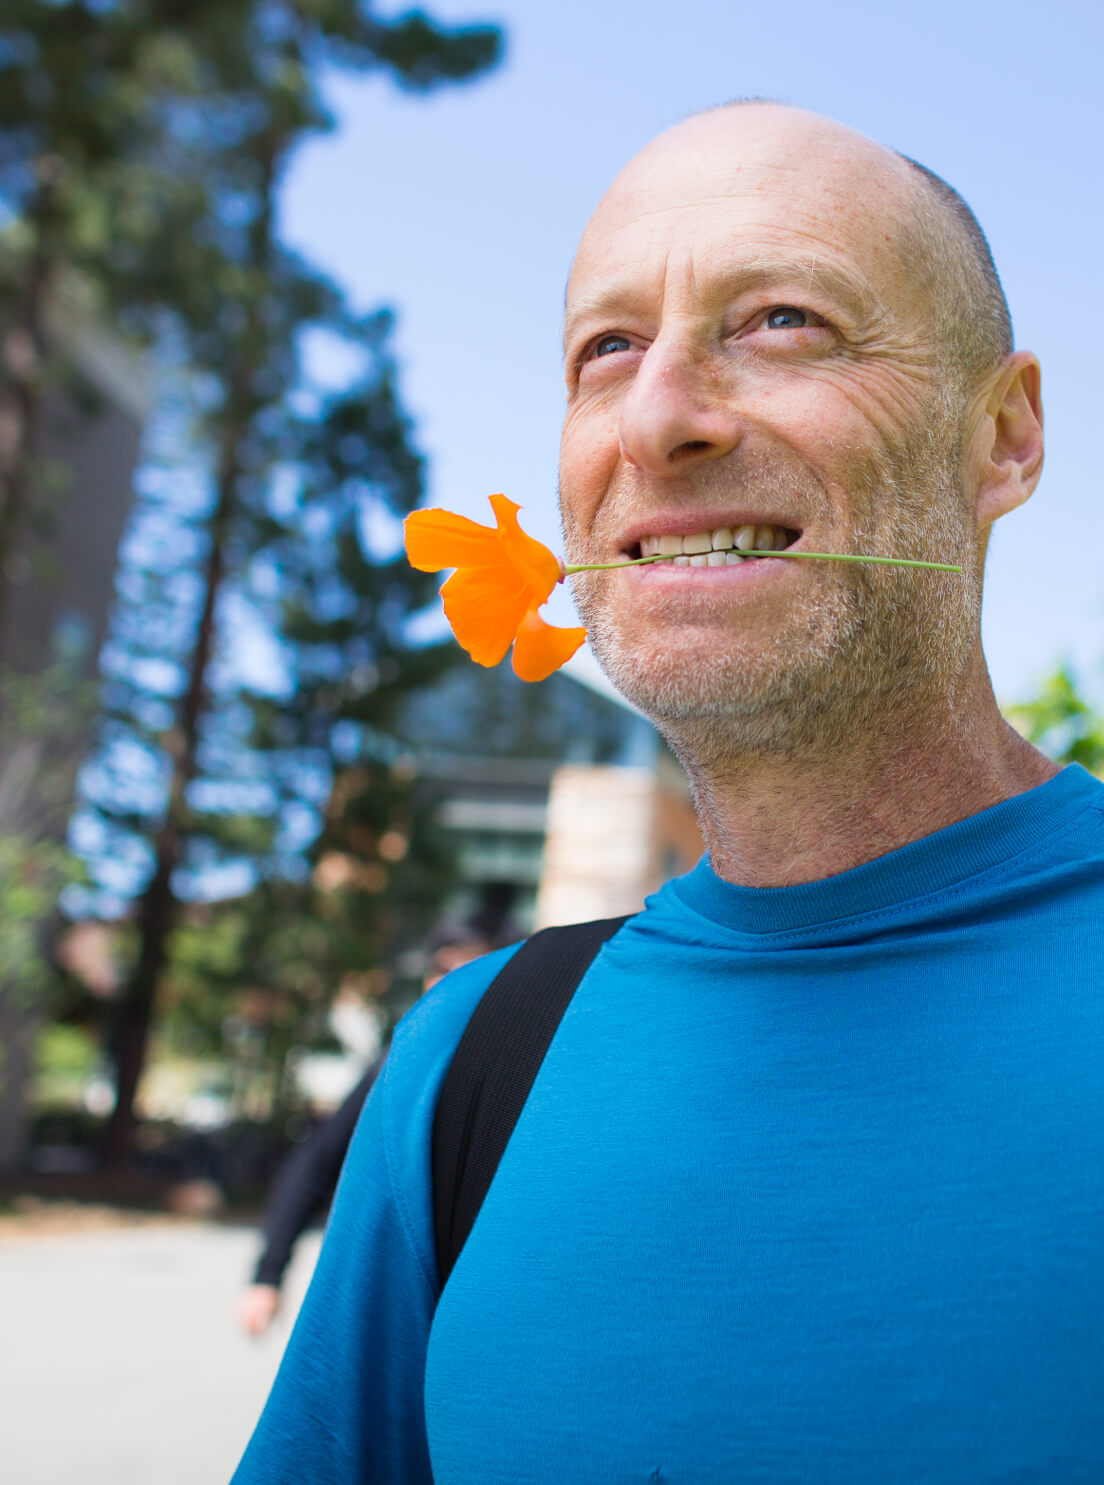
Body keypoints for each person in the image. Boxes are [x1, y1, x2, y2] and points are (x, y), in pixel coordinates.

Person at [232, 103, 1104, 1483]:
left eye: (783, 322)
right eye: (608, 347)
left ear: (1002, 437)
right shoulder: (471, 1059)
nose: (659, 417)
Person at [235, 919, 500, 1337]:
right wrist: (267, 1277)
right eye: (441, 970)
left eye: (471, 971)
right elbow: (315, 1163)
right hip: (397, 1298)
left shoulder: (520, 1066)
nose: (450, 985)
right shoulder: (400, 1060)